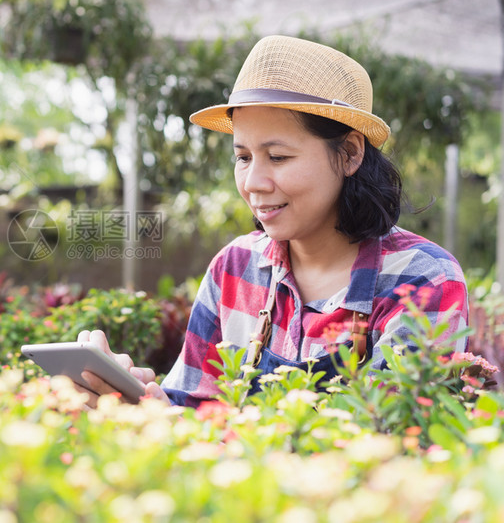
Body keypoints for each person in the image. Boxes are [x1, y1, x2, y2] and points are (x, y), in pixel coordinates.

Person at [77, 34, 469, 408]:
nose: (252, 184)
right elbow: (194, 410)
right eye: (243, 157)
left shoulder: (422, 279)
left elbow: (391, 439)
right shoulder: (234, 269)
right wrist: (146, 405)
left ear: (350, 153)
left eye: (278, 157)